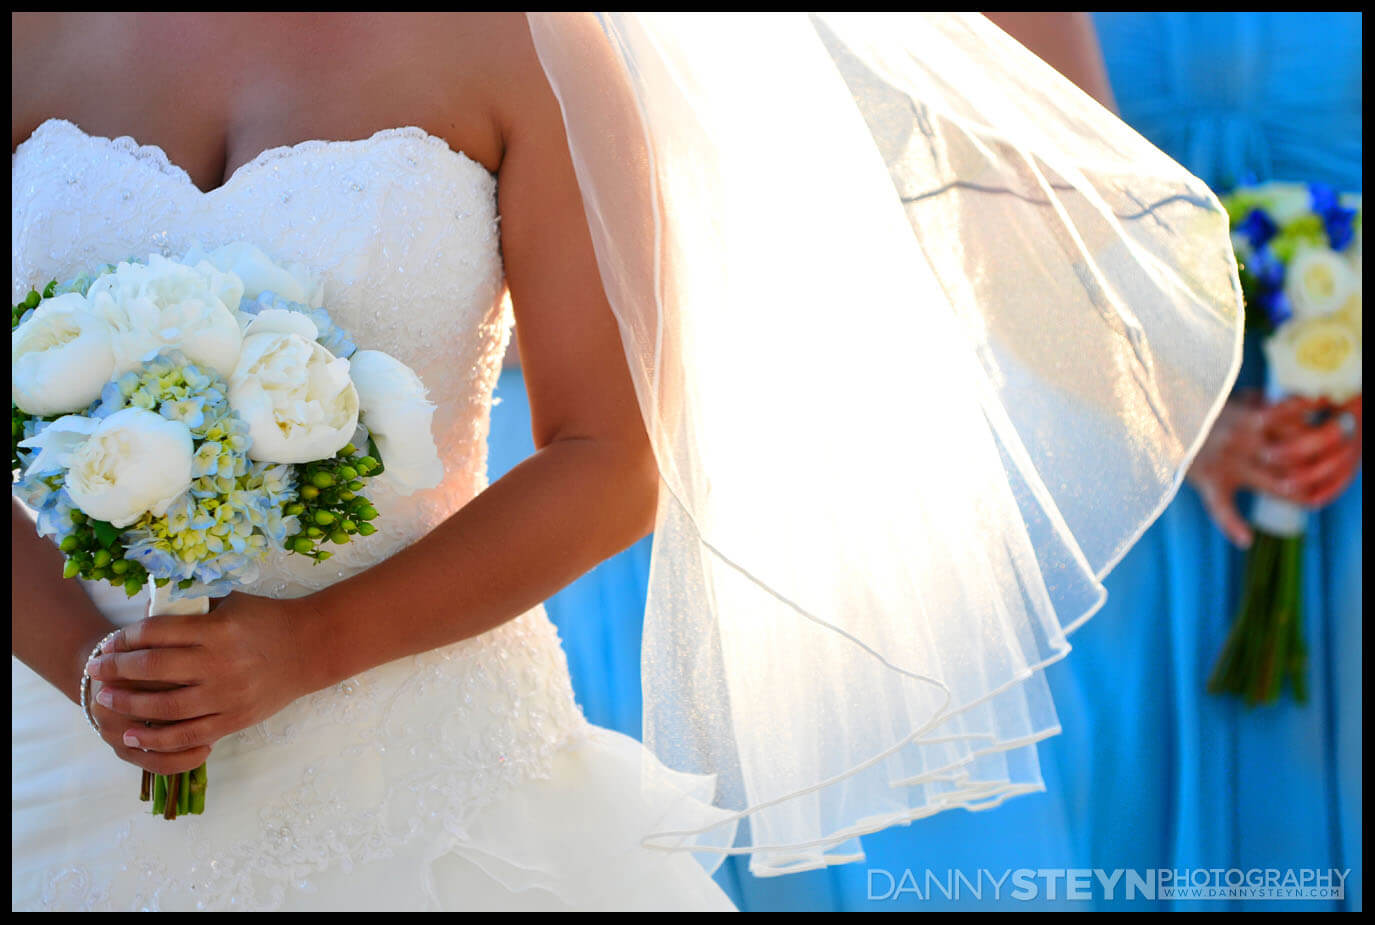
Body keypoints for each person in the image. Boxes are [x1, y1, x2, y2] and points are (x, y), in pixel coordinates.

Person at [11, 12, 1243, 910]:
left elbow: (611, 457)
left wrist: (305, 647)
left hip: (411, 757)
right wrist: (91, 670)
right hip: (51, 748)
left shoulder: (526, 43)